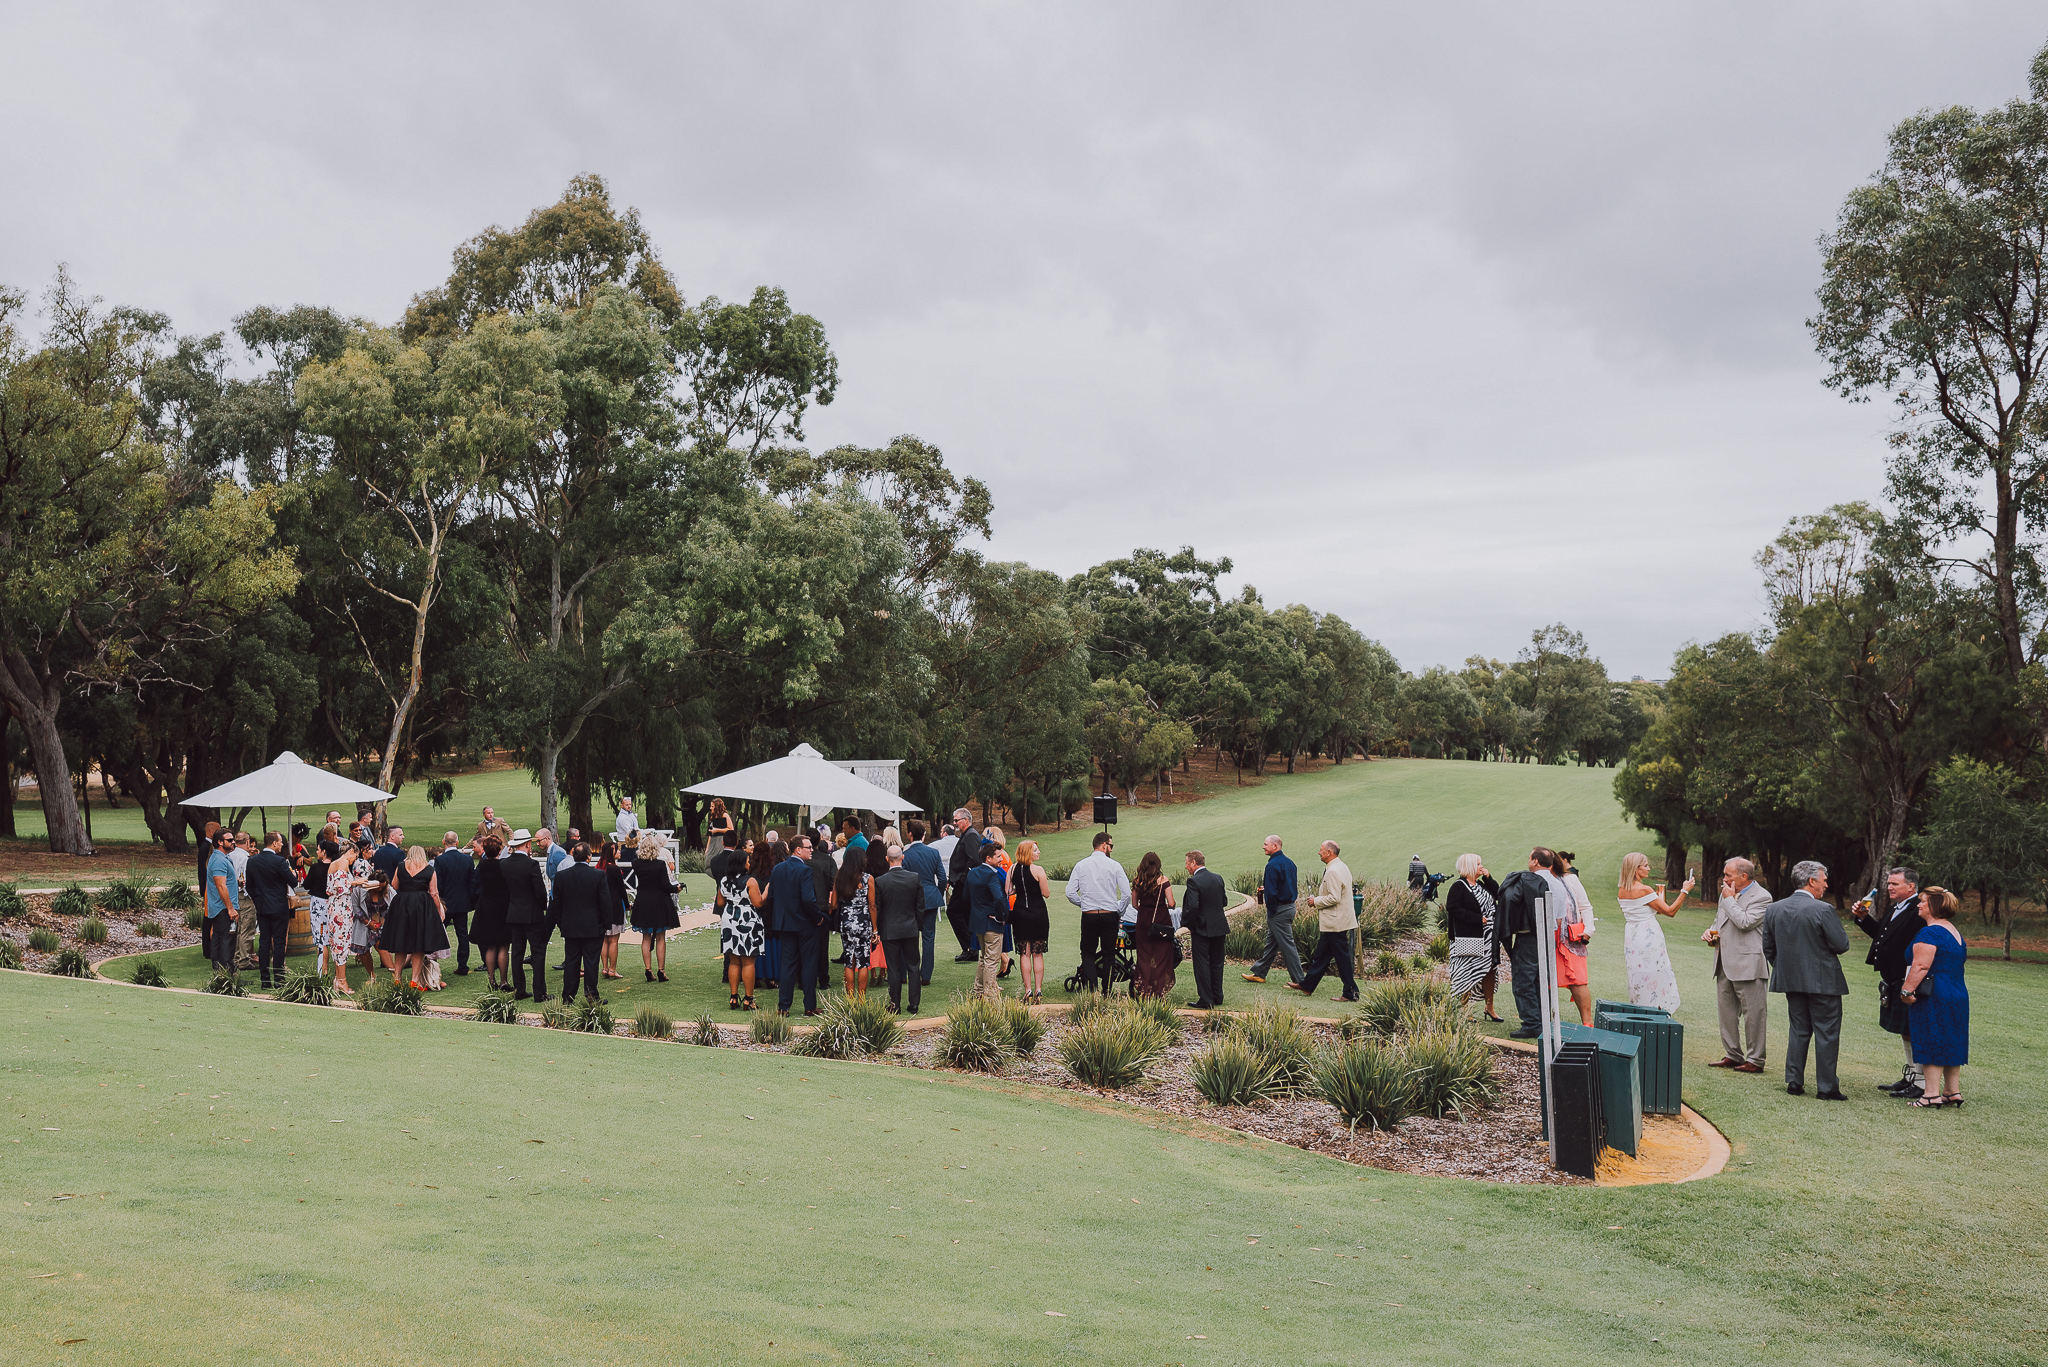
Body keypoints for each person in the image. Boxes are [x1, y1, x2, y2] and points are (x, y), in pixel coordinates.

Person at [1762, 860, 1852, 1100]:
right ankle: (1826, 1087)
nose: (1826, 885)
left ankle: (1794, 1081)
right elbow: (1841, 945)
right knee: (1827, 1033)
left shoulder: (1774, 909)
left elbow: (1768, 948)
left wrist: (1787, 968)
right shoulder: (1823, 910)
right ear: (1812, 881)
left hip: (1791, 980)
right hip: (1823, 981)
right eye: (1823, 880)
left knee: (1799, 1030)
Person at [1852, 867, 1929, 1097]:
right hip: (1892, 978)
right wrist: (1864, 919)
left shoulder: (1919, 910)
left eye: (1895, 884)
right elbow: (1881, 935)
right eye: (1889, 883)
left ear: (1911, 887)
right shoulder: (1897, 907)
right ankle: (1910, 1077)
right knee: (1905, 1031)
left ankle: (1922, 1083)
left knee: (1914, 1030)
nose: (1889, 887)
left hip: (1906, 978)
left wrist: (1911, 981)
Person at [1900, 886, 1969, 1108]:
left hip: (1935, 993)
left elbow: (1920, 966)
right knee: (1951, 1040)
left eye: (1923, 901)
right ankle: (1951, 1091)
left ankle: (1930, 1094)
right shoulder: (1953, 931)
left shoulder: (1930, 932)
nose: (1918, 905)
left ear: (1934, 906)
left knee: (1932, 1038)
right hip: (1957, 992)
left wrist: (1906, 990)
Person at [1704, 857, 1771, 1072]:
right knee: (1726, 1014)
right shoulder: (1727, 893)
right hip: (1724, 962)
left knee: (1754, 1015)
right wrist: (1710, 932)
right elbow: (1720, 922)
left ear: (1743, 876)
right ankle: (1732, 1054)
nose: (1724, 879)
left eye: (1728, 875)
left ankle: (1755, 1060)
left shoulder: (1763, 897)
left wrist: (1729, 900)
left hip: (1749, 964)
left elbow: (1744, 923)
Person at [1616, 852, 1688, 1015]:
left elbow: (1649, 909)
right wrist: (1685, 890)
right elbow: (1670, 912)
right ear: (1636, 869)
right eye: (1646, 865)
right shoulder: (1644, 890)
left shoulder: (1622, 890)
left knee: (1639, 974)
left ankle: (1642, 1007)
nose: (1649, 868)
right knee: (1656, 972)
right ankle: (1659, 1009)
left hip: (1632, 937)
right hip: (1648, 935)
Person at [1288, 841, 1359, 1002]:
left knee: (1341, 958)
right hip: (1337, 921)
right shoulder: (1342, 866)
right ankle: (1307, 985)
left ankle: (1350, 992)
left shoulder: (1333, 871)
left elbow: (1335, 897)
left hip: (1335, 922)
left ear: (1329, 852)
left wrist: (1316, 900)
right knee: (1322, 956)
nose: (1318, 852)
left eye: (1321, 850)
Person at [1066, 830, 1131, 991]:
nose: (1111, 849)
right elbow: (1127, 893)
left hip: (1089, 915)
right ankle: (1107, 990)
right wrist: (1119, 911)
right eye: (1111, 845)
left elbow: (1070, 892)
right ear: (1103, 845)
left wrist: (1084, 904)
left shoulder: (1081, 865)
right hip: (1110, 915)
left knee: (1087, 953)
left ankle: (1092, 987)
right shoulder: (1114, 865)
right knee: (1109, 954)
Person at [769, 834, 826, 1015]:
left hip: (785, 923)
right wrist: (818, 916)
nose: (812, 850)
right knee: (809, 965)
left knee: (787, 965)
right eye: (808, 847)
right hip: (805, 924)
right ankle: (809, 1006)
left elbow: (772, 897)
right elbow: (808, 900)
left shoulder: (777, 869)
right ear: (798, 850)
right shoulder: (805, 870)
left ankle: (783, 1007)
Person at [1538, 849, 1595, 1026]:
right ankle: (1545, 1021)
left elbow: (1585, 906)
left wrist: (1589, 929)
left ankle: (1587, 1022)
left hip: (1570, 936)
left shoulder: (1571, 879)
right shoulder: (1540, 880)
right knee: (1544, 978)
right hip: (1549, 935)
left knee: (1578, 980)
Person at [380, 845, 448, 992]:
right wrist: (438, 911)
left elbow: (394, 884)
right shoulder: (430, 869)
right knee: (419, 944)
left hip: (402, 903)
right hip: (421, 905)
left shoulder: (401, 866)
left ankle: (397, 978)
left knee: (400, 942)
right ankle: (414, 980)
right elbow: (434, 893)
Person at [550, 843, 611, 1004]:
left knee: (571, 962)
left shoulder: (562, 876)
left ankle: (568, 997)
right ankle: (591, 995)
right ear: (589, 857)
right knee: (591, 962)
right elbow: (605, 902)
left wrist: (561, 923)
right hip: (592, 926)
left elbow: (556, 903)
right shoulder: (598, 875)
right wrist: (606, 924)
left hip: (571, 926)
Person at [1445, 853, 1503, 1021]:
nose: (1481, 867)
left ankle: (1489, 1007)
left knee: (1490, 970)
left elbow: (1498, 895)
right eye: (1478, 864)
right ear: (1469, 866)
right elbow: (1453, 907)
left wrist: (1488, 878)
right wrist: (1476, 919)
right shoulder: (1459, 886)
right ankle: (1465, 1009)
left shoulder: (1481, 885)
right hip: (1468, 937)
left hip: (1488, 937)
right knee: (1466, 971)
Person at [1244, 836, 1303, 988]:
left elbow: (1271, 894)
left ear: (1275, 846)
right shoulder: (1290, 863)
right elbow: (1286, 885)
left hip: (1279, 911)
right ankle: (1259, 973)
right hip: (1290, 907)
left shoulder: (1272, 866)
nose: (1263, 847)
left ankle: (1300, 981)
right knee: (1272, 942)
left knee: (1287, 945)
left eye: (1265, 844)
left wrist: (1270, 910)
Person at [874, 844, 925, 1013]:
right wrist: (918, 925)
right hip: (910, 928)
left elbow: (878, 908)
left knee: (894, 968)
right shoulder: (914, 878)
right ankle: (915, 1004)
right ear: (902, 858)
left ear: (887, 859)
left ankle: (895, 1005)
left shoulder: (880, 881)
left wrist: (878, 930)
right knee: (913, 966)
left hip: (890, 930)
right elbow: (920, 906)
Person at [503, 830, 553, 1002]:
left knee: (517, 952)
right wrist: (542, 907)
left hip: (514, 913)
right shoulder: (531, 865)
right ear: (526, 844)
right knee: (538, 953)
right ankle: (539, 993)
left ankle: (519, 989)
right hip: (532, 914)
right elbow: (539, 891)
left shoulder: (505, 864)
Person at [245, 831, 297, 990]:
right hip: (279, 906)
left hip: (262, 906)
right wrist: (293, 873)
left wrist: (257, 899)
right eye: (280, 842)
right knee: (279, 942)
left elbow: (249, 886)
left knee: (264, 941)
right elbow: (293, 882)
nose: (282, 845)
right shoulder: (280, 861)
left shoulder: (252, 861)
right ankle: (279, 978)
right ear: (274, 843)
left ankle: (265, 979)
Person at [715, 838, 762, 1010]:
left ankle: (733, 997)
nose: (750, 863)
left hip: (729, 918)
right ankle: (749, 999)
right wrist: (765, 894)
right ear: (742, 863)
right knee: (748, 962)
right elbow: (757, 903)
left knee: (734, 961)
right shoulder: (750, 881)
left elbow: (720, 903)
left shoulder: (724, 881)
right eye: (748, 861)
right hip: (746, 918)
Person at [900, 820, 947, 989]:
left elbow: (902, 878)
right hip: (930, 897)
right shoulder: (933, 853)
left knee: (907, 936)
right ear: (924, 835)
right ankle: (925, 975)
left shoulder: (906, 854)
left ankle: (905, 973)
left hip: (911, 899)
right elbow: (942, 878)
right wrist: (937, 892)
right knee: (928, 937)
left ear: (910, 834)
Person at [1180, 850, 1229, 1010]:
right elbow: (1224, 901)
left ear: (1194, 863)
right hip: (1219, 927)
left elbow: (1193, 906)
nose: (1186, 867)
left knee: (1201, 963)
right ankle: (1217, 996)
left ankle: (1206, 999)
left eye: (1187, 863)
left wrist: (1190, 925)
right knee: (1217, 963)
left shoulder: (1194, 882)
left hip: (1202, 929)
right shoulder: (1218, 878)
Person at [966, 828, 1011, 998]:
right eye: (999, 857)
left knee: (983, 959)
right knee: (992, 961)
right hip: (992, 923)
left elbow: (966, 897)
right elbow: (999, 899)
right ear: (988, 858)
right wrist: (1001, 916)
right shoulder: (992, 875)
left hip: (977, 922)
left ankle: (978, 991)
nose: (1002, 859)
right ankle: (990, 995)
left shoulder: (973, 873)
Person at [632, 829, 680, 982]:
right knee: (660, 937)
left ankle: (648, 968)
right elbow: (666, 885)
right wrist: (677, 888)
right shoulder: (660, 865)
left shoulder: (636, 864)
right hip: (659, 901)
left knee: (646, 937)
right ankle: (661, 969)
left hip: (643, 901)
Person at [1010, 840, 1055, 1005]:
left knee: (1024, 953)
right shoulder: (1038, 870)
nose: (1039, 852)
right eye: (1035, 850)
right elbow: (1046, 893)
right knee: (1037, 953)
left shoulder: (1013, 869)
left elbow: (1008, 891)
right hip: (1038, 914)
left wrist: (1019, 889)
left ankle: (1027, 990)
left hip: (1020, 913)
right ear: (1028, 852)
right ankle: (1038, 990)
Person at [834, 843, 878, 998]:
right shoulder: (867, 879)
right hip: (863, 923)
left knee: (849, 960)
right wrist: (875, 929)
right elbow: (872, 905)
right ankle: (861, 999)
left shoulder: (840, 877)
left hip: (845, 923)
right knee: (863, 961)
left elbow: (833, 904)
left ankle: (850, 998)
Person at [471, 834, 514, 991]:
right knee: (503, 945)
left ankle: (492, 979)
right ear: (499, 849)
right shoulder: (504, 865)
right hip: (503, 904)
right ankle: (503, 980)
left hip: (487, 905)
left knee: (490, 945)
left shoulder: (482, 865)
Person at [432, 833, 476, 977]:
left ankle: (432, 962)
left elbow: (439, 884)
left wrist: (440, 901)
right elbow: (471, 882)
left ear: (444, 842)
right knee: (462, 935)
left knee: (438, 932)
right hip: (462, 902)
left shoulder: (440, 860)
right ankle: (462, 965)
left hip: (446, 903)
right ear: (457, 843)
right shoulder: (467, 859)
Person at [944, 810, 985, 961]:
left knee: (953, 912)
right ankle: (971, 949)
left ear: (966, 820)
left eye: (957, 820)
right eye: (954, 820)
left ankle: (969, 946)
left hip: (965, 883)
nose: (954, 823)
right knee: (965, 913)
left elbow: (974, 860)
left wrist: (962, 878)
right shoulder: (966, 835)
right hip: (962, 881)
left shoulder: (971, 835)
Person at [204, 828, 240, 974]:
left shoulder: (221, 857)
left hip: (221, 907)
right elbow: (220, 885)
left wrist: (236, 882)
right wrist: (230, 908)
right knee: (226, 940)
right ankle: (226, 974)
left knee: (220, 938)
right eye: (230, 840)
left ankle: (221, 972)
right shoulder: (219, 860)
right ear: (220, 842)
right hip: (223, 908)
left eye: (233, 840)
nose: (233, 843)